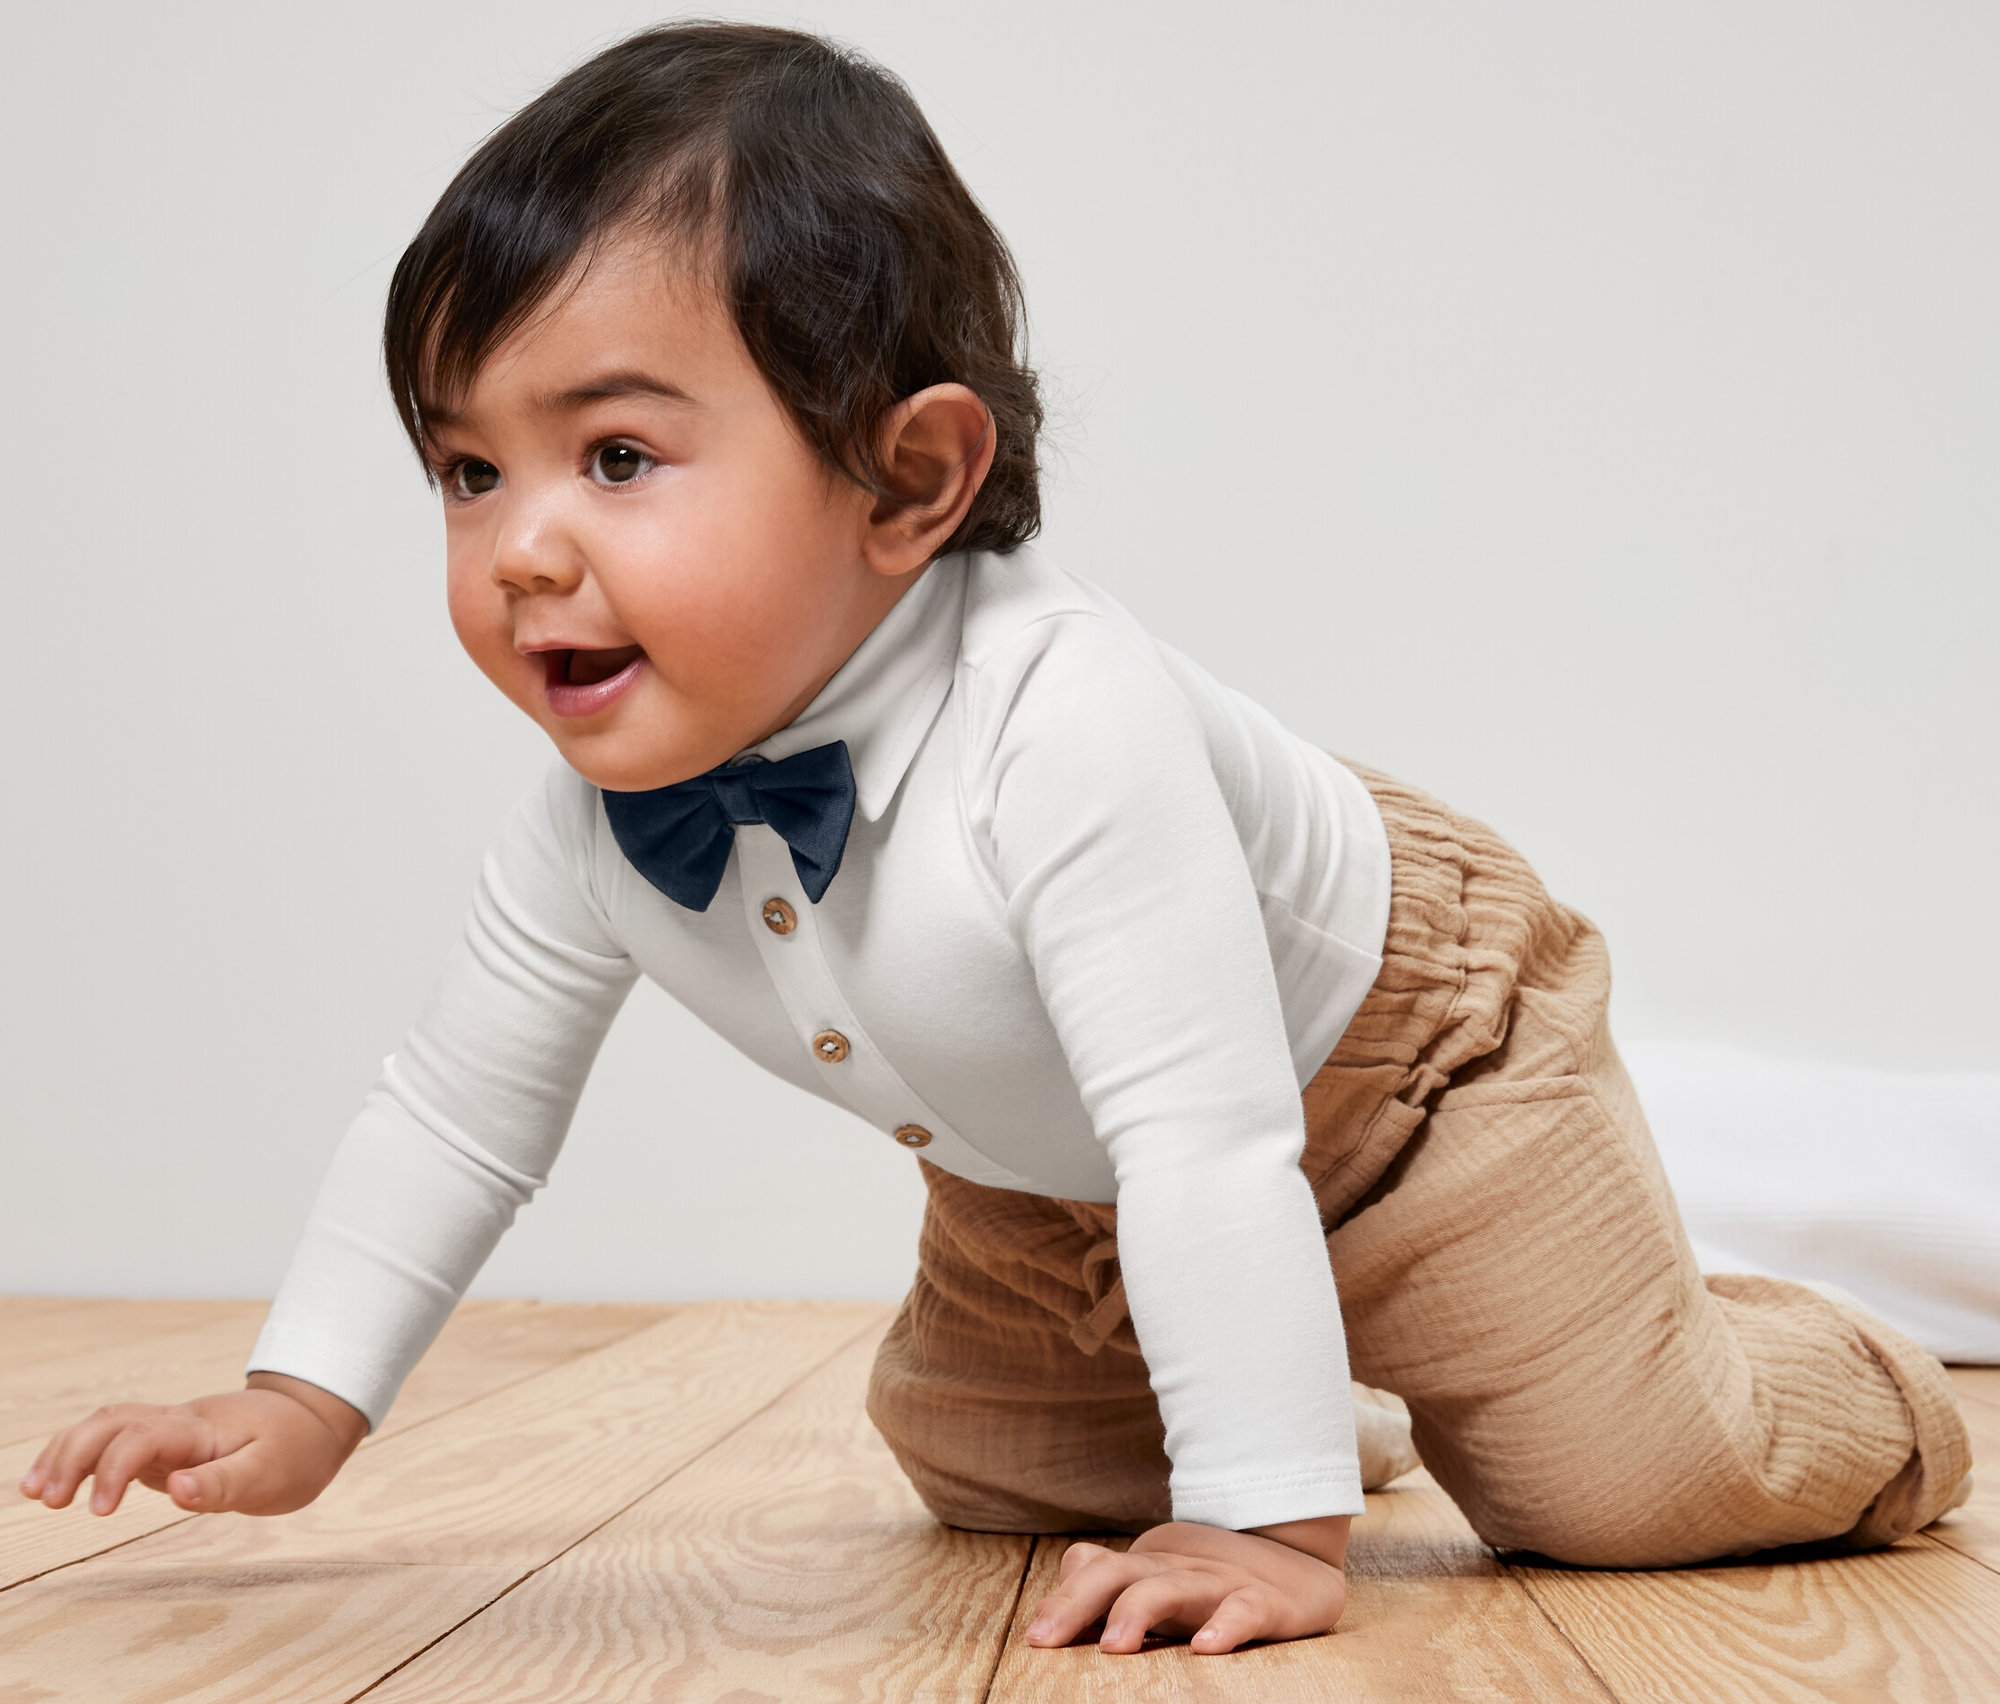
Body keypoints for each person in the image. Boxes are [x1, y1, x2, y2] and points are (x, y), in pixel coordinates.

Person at [17, 22, 1971, 1658]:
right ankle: (1328, 1368)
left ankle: (1830, 1363)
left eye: (614, 455)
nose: (524, 544)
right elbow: (454, 1112)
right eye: (467, 467)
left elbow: (1205, 1132)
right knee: (991, 1463)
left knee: (1620, 1487)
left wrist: (1272, 1528)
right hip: (1066, 1171)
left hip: (1401, 1068)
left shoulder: (1066, 722)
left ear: (911, 476)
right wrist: (297, 1398)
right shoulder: (597, 815)